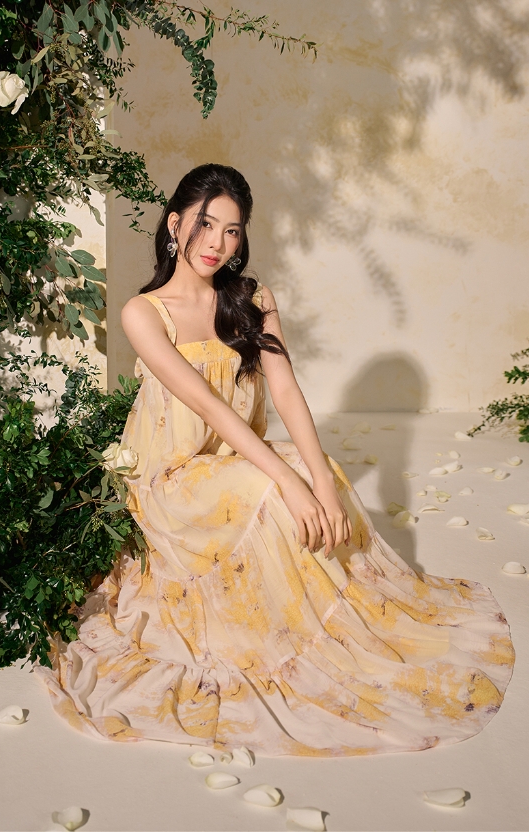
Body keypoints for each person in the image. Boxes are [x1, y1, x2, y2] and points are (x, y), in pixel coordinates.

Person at [37, 163, 514, 757]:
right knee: (272, 489)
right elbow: (208, 406)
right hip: (171, 481)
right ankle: (282, 640)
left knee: (321, 475)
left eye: (232, 230)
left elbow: (285, 390)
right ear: (175, 224)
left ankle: (335, 623)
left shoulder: (252, 299)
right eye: (205, 224)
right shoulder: (145, 312)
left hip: (232, 459)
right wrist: (285, 479)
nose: (216, 242)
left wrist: (321, 483)